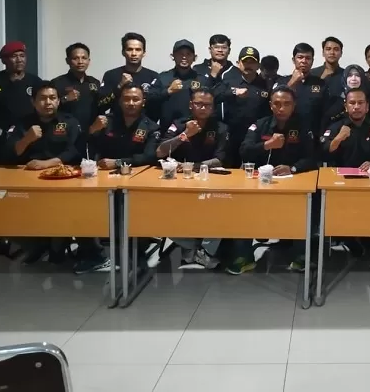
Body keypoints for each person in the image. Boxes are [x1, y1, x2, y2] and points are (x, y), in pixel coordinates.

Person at [80, 83, 160, 274]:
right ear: (119, 101)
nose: (131, 103)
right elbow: (85, 146)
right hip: (101, 180)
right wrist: (92, 130)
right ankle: (93, 254)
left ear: (143, 102)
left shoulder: (151, 126)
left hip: (136, 181)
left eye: (136, 99)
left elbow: (149, 156)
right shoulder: (106, 121)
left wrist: (118, 162)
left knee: (132, 209)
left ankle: (136, 252)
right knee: (81, 206)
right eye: (126, 99)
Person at [240, 86, 316, 272]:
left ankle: (301, 256)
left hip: (294, 185)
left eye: (287, 104)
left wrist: (293, 168)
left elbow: (313, 156)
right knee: (240, 208)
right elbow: (244, 150)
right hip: (261, 183)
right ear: (271, 106)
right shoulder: (260, 125)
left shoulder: (304, 126)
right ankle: (242, 256)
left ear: (294, 105)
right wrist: (267, 145)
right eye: (277, 104)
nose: (282, 108)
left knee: (304, 207)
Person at [5, 82, 82, 264]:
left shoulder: (70, 122)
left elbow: (75, 151)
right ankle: (36, 246)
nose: (48, 102)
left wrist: (47, 164)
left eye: (52, 98)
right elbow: (10, 152)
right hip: (28, 181)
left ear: (58, 101)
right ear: (33, 102)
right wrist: (27, 139)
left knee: (62, 210)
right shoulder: (22, 123)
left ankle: (56, 246)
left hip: (62, 179)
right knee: (8, 209)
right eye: (43, 98)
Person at [0, 41, 43, 256]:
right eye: (13, 56)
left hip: (28, 141)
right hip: (1, 142)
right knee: (0, 191)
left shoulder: (35, 81)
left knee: (27, 190)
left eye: (22, 55)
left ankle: (29, 236)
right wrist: (7, 83)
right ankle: (0, 236)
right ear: (5, 60)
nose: (19, 60)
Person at [157, 87, 232, 270]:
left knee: (226, 209)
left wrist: (192, 166)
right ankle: (191, 247)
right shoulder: (179, 125)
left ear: (213, 108)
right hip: (180, 183)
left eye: (208, 105)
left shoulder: (221, 127)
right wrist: (184, 135)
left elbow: (220, 159)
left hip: (211, 182)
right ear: (191, 105)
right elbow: (160, 151)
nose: (203, 108)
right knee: (157, 210)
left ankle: (203, 251)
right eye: (199, 104)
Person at [321, 87, 370, 257]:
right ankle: (348, 236)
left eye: (360, 103)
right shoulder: (336, 127)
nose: (356, 107)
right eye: (352, 103)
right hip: (341, 185)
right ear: (346, 106)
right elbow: (323, 152)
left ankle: (367, 235)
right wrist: (338, 138)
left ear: (367, 107)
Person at [148, 39, 222, 130]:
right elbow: (149, 99)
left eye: (188, 54)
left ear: (194, 57)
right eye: (180, 54)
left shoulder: (202, 79)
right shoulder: (163, 77)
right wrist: (168, 91)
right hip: (167, 132)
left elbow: (212, 104)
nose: (184, 57)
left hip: (195, 132)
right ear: (172, 56)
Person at [224, 47, 271, 165]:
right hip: (233, 136)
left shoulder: (267, 85)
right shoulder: (228, 81)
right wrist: (234, 92)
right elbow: (214, 96)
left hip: (256, 138)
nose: (248, 65)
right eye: (245, 62)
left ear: (258, 65)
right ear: (238, 63)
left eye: (252, 62)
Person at [98, 32, 159, 121]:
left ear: (144, 53)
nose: (134, 53)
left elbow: (157, 107)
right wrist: (119, 86)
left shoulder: (153, 76)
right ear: (123, 52)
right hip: (116, 127)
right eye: (130, 49)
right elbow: (101, 105)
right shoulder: (111, 75)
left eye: (138, 49)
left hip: (144, 128)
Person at [51, 43, 101, 150]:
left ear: (89, 61)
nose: (80, 62)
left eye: (84, 58)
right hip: (65, 134)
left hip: (91, 134)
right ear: (67, 61)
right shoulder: (57, 83)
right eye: (75, 58)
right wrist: (65, 99)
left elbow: (100, 107)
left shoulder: (95, 83)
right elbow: (48, 109)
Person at [277, 43, 328, 132]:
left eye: (308, 58)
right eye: (300, 57)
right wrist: (292, 83)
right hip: (286, 133)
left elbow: (325, 113)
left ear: (312, 61)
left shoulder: (320, 83)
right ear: (293, 60)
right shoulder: (282, 82)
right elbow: (277, 106)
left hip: (312, 135)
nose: (304, 61)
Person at [194, 34, 242, 121]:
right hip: (206, 123)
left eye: (224, 47)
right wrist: (213, 74)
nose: (220, 50)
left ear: (229, 50)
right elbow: (200, 95)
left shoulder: (236, 72)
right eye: (216, 47)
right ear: (210, 49)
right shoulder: (198, 69)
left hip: (232, 125)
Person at [322, 64, 366, 128]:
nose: (353, 78)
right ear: (345, 78)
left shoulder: (367, 100)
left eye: (357, 75)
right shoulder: (334, 102)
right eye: (350, 75)